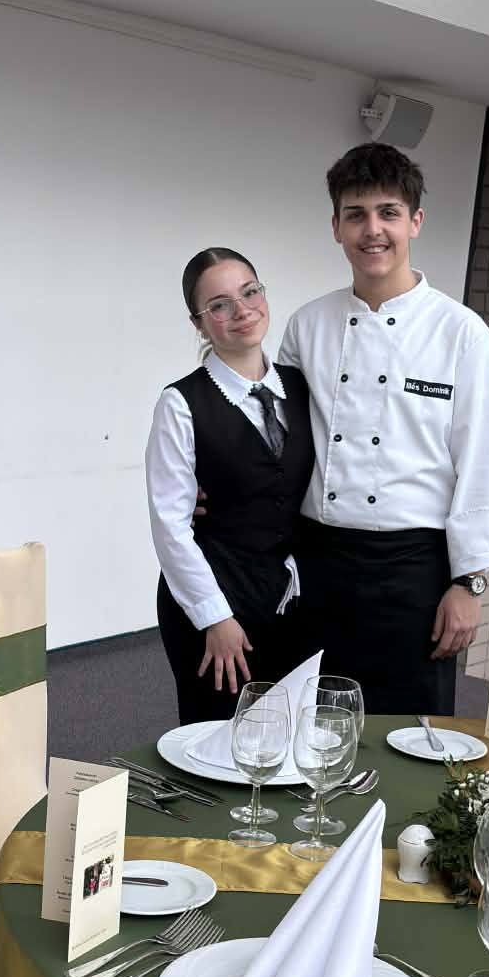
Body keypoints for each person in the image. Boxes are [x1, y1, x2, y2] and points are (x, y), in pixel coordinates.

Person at [277, 144, 489, 716]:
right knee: (312, 721)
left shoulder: (461, 332)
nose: (372, 230)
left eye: (388, 213)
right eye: (355, 215)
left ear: (415, 222)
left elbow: (477, 462)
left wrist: (469, 582)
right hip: (319, 560)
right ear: (336, 227)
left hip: (413, 568)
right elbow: (278, 444)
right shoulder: (308, 325)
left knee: (409, 730)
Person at [145, 248, 314, 723]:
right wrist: (214, 617)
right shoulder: (180, 404)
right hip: (213, 598)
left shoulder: (302, 387)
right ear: (199, 324)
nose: (241, 311)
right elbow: (170, 527)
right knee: (214, 737)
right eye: (219, 305)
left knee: (286, 732)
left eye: (249, 292)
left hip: (288, 599)